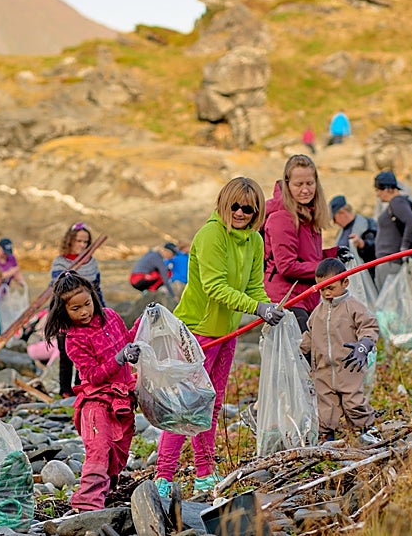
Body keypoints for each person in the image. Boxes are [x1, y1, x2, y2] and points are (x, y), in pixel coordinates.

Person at [154, 177, 286, 497]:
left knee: (210, 406)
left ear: (257, 212)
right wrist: (256, 307)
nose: (240, 213)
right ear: (224, 204)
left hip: (227, 335)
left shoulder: (254, 241)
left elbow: (254, 287)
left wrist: (265, 307)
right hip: (197, 333)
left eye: (249, 208)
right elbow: (214, 287)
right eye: (235, 206)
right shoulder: (211, 234)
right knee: (185, 407)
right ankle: (163, 476)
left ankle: (204, 472)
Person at [44, 271, 138, 511]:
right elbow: (94, 376)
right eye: (75, 309)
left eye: (87, 304)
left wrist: (144, 322)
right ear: (64, 311)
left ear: (94, 297)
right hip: (96, 403)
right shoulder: (74, 339)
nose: (84, 312)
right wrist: (119, 358)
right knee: (99, 450)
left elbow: (127, 339)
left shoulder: (111, 316)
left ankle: (105, 494)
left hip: (122, 399)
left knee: (118, 454)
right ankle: (87, 506)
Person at [263, 155, 349, 333]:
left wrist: (333, 255)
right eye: (298, 184)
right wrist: (327, 268)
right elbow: (287, 266)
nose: (305, 190)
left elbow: (308, 257)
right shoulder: (282, 218)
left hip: (308, 297)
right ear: (287, 185)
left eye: (309, 183)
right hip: (286, 300)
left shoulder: (310, 214)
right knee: (303, 356)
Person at [300, 259, 380, 445]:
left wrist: (364, 345)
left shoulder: (353, 307)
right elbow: (310, 335)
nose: (327, 293)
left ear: (345, 282)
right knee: (325, 406)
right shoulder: (317, 312)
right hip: (323, 369)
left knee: (353, 402)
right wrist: (299, 352)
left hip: (349, 366)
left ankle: (365, 431)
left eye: (331, 288)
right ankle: (327, 437)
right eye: (322, 289)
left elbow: (369, 326)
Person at [50, 222, 103, 397]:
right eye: (79, 241)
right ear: (70, 241)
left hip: (87, 315)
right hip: (66, 314)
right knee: (65, 354)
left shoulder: (91, 263)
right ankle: (65, 391)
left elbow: (97, 289)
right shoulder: (60, 262)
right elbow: (56, 291)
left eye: (85, 242)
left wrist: (102, 312)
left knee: (86, 353)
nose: (82, 245)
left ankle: (81, 388)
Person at [373, 170, 412, 290]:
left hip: (391, 263)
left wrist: (405, 247)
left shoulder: (397, 202)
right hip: (388, 262)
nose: (377, 194)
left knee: (390, 305)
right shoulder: (396, 203)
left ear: (388, 189)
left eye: (378, 190)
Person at [331, 195, 378, 265]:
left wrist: (362, 244)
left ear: (342, 212)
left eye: (334, 219)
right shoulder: (340, 232)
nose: (335, 223)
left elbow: (378, 247)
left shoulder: (368, 224)